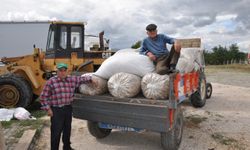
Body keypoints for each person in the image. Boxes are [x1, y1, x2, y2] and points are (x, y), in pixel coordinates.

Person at [40, 63, 96, 150]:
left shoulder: (71, 79)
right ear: (57, 71)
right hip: (56, 110)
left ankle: (67, 147)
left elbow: (81, 79)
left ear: (67, 71)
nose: (62, 72)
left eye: (64, 70)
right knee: (56, 132)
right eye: (60, 70)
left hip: (67, 108)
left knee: (67, 130)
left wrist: (92, 79)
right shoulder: (51, 81)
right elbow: (43, 97)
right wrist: (48, 109)